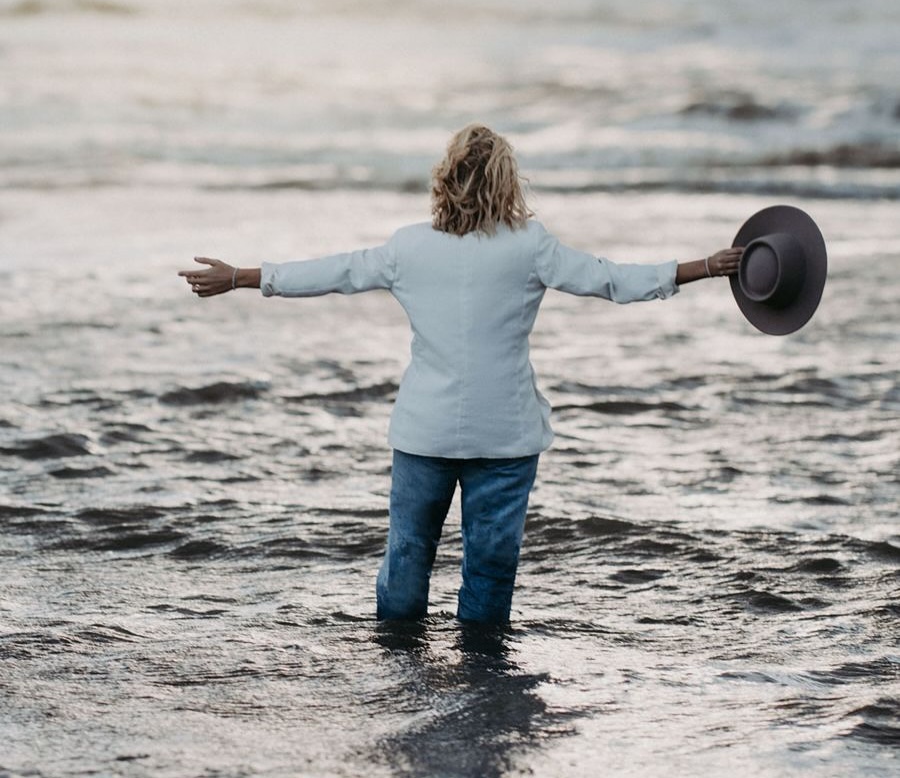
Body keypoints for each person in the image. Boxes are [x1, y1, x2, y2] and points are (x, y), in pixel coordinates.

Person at [178, 124, 742, 624]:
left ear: (445, 179)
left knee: (407, 558)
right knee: (490, 571)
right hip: (505, 437)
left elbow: (334, 272)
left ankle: (399, 673)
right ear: (506, 183)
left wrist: (242, 277)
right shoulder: (531, 247)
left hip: (426, 432)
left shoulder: (409, 247)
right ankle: (482, 685)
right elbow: (614, 280)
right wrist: (705, 268)